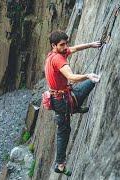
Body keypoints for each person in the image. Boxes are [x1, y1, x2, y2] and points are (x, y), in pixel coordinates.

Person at [44, 31, 101, 176]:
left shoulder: (54, 54)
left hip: (60, 96)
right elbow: (71, 77)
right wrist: (88, 75)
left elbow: (74, 49)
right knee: (64, 131)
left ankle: (75, 107)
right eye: (62, 45)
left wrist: (90, 45)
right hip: (61, 101)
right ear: (54, 45)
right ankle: (60, 164)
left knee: (76, 91)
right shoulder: (57, 59)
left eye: (65, 44)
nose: (65, 47)